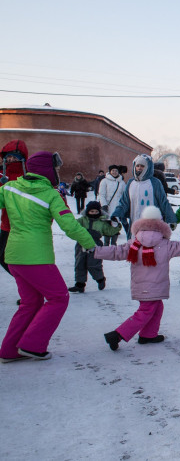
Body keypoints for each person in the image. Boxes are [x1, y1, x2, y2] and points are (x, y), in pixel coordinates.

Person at [0, 151, 96, 362]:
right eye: (57, 168)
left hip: (14, 256)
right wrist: (90, 244)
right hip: (36, 258)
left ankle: (9, 350)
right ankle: (32, 345)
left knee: (30, 303)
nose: (58, 172)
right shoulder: (51, 195)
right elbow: (69, 225)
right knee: (58, 297)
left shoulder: (8, 188)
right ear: (48, 170)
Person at [97, 206, 180, 351]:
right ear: (160, 225)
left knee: (156, 307)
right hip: (156, 286)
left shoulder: (134, 244)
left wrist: (96, 251)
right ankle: (117, 335)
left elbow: (115, 251)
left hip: (140, 285)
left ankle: (148, 335)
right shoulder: (166, 244)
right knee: (146, 311)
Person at [111, 154, 177, 238]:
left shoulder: (155, 183)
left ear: (147, 167)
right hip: (135, 223)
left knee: (150, 248)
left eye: (142, 166)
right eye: (137, 165)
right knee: (135, 248)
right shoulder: (131, 183)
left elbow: (163, 202)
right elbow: (124, 202)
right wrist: (116, 215)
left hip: (152, 226)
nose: (139, 168)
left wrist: (171, 218)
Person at [67, 201, 121, 293]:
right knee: (80, 263)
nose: (94, 214)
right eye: (92, 212)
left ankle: (100, 279)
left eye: (96, 212)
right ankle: (80, 284)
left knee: (93, 264)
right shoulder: (82, 220)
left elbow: (109, 231)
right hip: (81, 243)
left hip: (96, 245)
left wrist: (116, 225)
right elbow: (73, 226)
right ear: (88, 211)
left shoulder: (102, 222)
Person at [0, 139, 29, 275]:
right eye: (8, 157)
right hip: (6, 224)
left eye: (14, 156)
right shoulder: (2, 176)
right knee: (3, 257)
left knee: (23, 260)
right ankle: (29, 285)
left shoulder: (29, 175)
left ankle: (31, 288)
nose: (10, 160)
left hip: (24, 225)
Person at [98, 165, 126, 245]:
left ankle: (114, 244)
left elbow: (124, 195)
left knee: (115, 225)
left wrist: (123, 206)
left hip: (117, 207)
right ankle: (106, 244)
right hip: (107, 207)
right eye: (113, 170)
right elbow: (101, 194)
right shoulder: (104, 181)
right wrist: (104, 205)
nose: (114, 172)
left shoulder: (121, 182)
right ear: (110, 171)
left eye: (116, 171)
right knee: (107, 225)